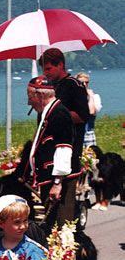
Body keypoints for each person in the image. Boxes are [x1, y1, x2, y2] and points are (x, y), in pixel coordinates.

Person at [22, 75, 75, 227]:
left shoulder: (59, 114)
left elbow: (63, 149)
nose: (28, 102)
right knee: (51, 224)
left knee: (58, 224)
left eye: (29, 96)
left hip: (56, 181)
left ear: (39, 95)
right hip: (49, 179)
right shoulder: (49, 112)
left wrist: (57, 183)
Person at [39, 48, 89, 184]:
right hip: (48, 149)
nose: (45, 73)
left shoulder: (75, 85)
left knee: (65, 198)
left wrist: (55, 114)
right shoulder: (49, 86)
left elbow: (82, 116)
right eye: (44, 69)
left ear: (60, 65)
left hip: (69, 148)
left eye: (48, 69)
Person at [75, 72, 102, 147]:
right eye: (81, 82)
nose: (84, 84)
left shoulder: (95, 97)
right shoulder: (73, 97)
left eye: (86, 82)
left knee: (90, 156)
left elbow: (91, 111)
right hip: (75, 132)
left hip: (88, 133)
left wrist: (90, 96)